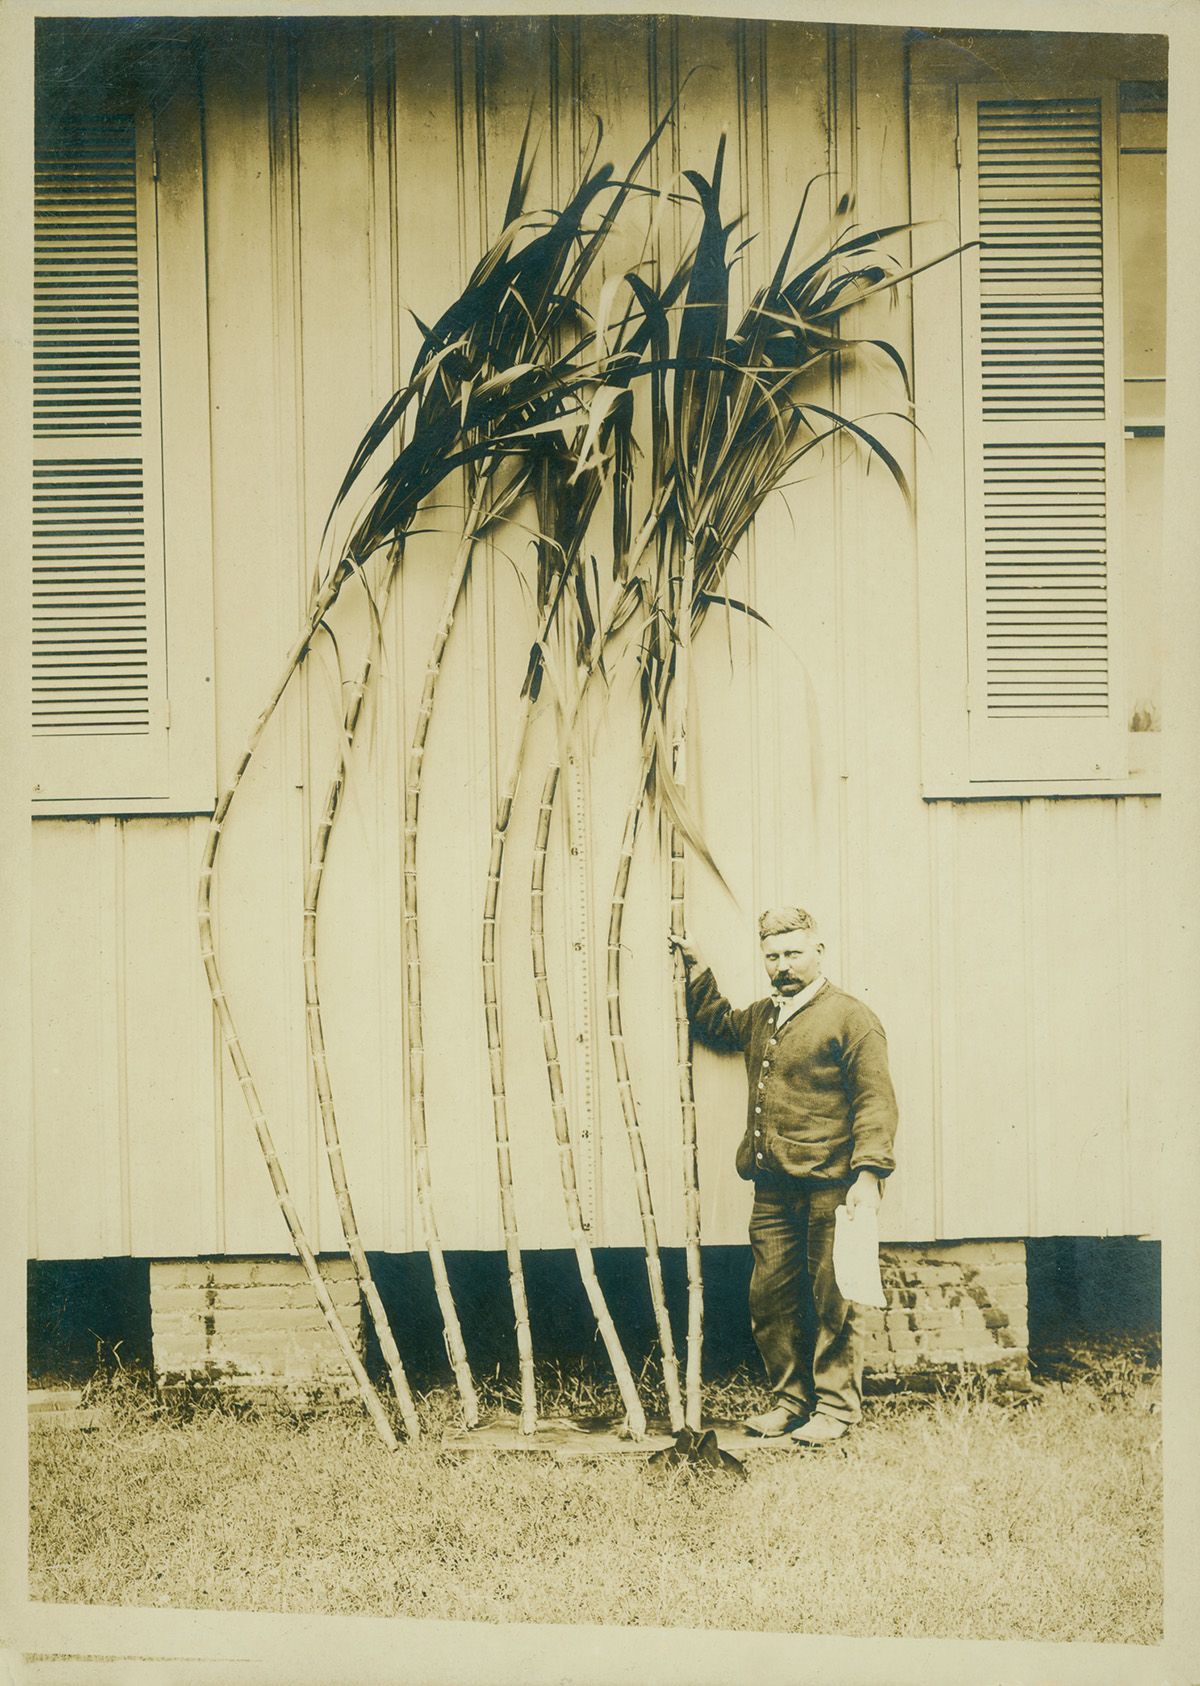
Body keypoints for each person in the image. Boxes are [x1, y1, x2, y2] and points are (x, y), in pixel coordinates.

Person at [670, 908, 898, 1444]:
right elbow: (718, 1026)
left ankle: (836, 1411)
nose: (782, 966)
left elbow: (876, 1102)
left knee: (832, 1299)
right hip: (772, 1189)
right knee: (771, 1297)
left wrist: (869, 1175)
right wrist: (697, 967)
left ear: (819, 950)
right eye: (772, 956)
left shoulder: (850, 1017)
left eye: (793, 953)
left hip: (833, 1188)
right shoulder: (763, 1018)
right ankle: (791, 1402)